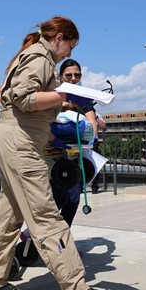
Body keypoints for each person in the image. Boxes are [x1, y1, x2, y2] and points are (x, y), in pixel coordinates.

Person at [0, 16, 112, 290]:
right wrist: (64, 95)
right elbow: (24, 99)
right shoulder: (40, 58)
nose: (68, 53)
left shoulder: (35, 56)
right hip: (20, 141)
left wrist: (59, 102)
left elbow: (20, 98)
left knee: (10, 214)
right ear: (60, 38)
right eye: (70, 46)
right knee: (45, 215)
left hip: (14, 138)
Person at [51, 59, 106, 226]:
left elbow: (92, 125)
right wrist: (63, 105)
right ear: (61, 76)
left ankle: (63, 243)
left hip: (73, 156)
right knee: (58, 199)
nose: (73, 78)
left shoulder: (84, 99)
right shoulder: (52, 93)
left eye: (77, 75)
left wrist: (89, 136)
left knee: (73, 200)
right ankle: (34, 240)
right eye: (69, 75)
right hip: (51, 155)